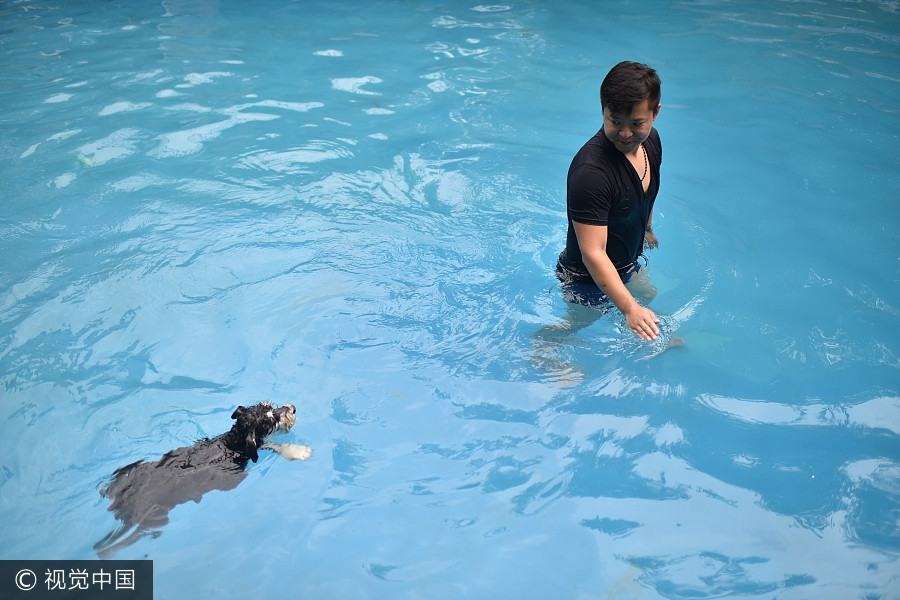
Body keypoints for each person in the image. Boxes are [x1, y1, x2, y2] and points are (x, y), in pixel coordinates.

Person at [556, 61, 663, 341]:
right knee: (577, 325)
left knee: (649, 296)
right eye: (616, 121)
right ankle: (544, 346)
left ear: (655, 113)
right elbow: (593, 253)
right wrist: (630, 308)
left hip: (625, 263)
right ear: (603, 109)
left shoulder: (651, 142)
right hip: (585, 278)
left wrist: (647, 228)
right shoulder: (591, 173)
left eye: (636, 123)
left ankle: (652, 338)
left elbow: (647, 192)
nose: (626, 134)